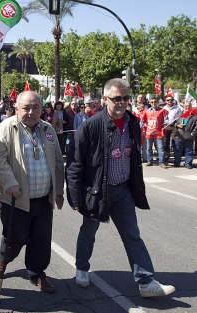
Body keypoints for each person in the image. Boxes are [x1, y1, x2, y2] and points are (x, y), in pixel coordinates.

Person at [66, 78, 175, 298]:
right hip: (97, 191)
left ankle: (146, 281)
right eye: (117, 98)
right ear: (105, 99)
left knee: (132, 235)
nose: (122, 102)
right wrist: (75, 197)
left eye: (126, 98)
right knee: (88, 232)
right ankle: (82, 269)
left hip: (123, 190)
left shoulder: (133, 123)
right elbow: (75, 163)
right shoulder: (91, 125)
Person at [0, 90, 64, 294]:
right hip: (14, 197)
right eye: (26, 107)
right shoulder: (7, 127)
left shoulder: (48, 129)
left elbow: (58, 162)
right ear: (16, 109)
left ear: (42, 109)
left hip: (43, 198)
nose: (31, 112)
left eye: (35, 107)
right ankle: (3, 258)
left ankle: (37, 273)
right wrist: (9, 182)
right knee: (16, 237)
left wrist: (58, 191)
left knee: (41, 238)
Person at [142, 96, 168, 168]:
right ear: (150, 103)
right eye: (152, 102)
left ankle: (162, 162)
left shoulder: (162, 111)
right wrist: (142, 125)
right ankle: (149, 161)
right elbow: (142, 120)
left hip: (158, 131)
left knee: (160, 148)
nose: (153, 103)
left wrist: (167, 122)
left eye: (155, 102)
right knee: (148, 147)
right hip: (149, 131)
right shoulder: (146, 111)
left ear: (158, 102)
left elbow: (166, 119)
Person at [173, 103, 197, 169]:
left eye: (189, 106)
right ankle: (177, 163)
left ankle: (188, 164)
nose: (187, 107)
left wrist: (192, 134)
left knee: (189, 151)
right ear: (183, 107)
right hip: (179, 135)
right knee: (177, 151)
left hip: (189, 136)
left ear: (191, 107)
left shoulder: (194, 116)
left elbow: (196, 126)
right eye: (186, 106)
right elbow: (174, 123)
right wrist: (177, 125)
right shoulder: (179, 115)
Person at [163, 96, 182, 162]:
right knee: (166, 141)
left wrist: (175, 122)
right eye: (168, 100)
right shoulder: (164, 108)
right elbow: (163, 118)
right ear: (166, 101)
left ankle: (176, 155)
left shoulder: (177, 108)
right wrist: (168, 122)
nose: (169, 101)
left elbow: (179, 117)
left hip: (174, 126)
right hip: (166, 125)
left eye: (171, 100)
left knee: (174, 140)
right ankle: (167, 155)